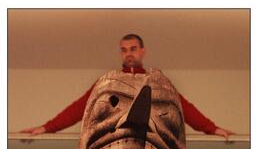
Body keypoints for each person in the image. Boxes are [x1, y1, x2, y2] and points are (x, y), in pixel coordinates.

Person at [21, 34, 234, 139]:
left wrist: (213, 129)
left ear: (142, 51)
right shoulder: (109, 82)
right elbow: (79, 108)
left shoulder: (156, 82)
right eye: (124, 50)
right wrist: (46, 128)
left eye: (133, 48)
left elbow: (183, 108)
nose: (128, 53)